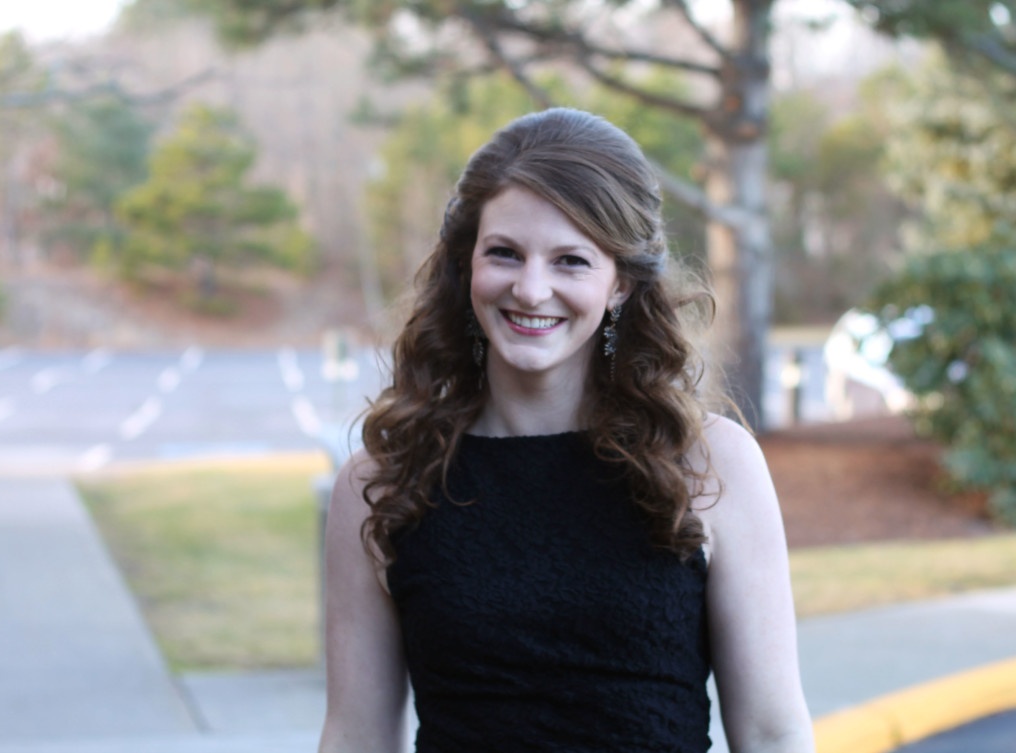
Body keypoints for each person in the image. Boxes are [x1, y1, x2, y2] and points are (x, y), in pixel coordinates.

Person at [318, 107, 814, 753]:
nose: (530, 289)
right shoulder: (384, 480)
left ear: (621, 284)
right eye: (504, 253)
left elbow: (773, 732)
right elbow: (356, 736)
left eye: (571, 261)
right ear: (467, 264)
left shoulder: (711, 464)